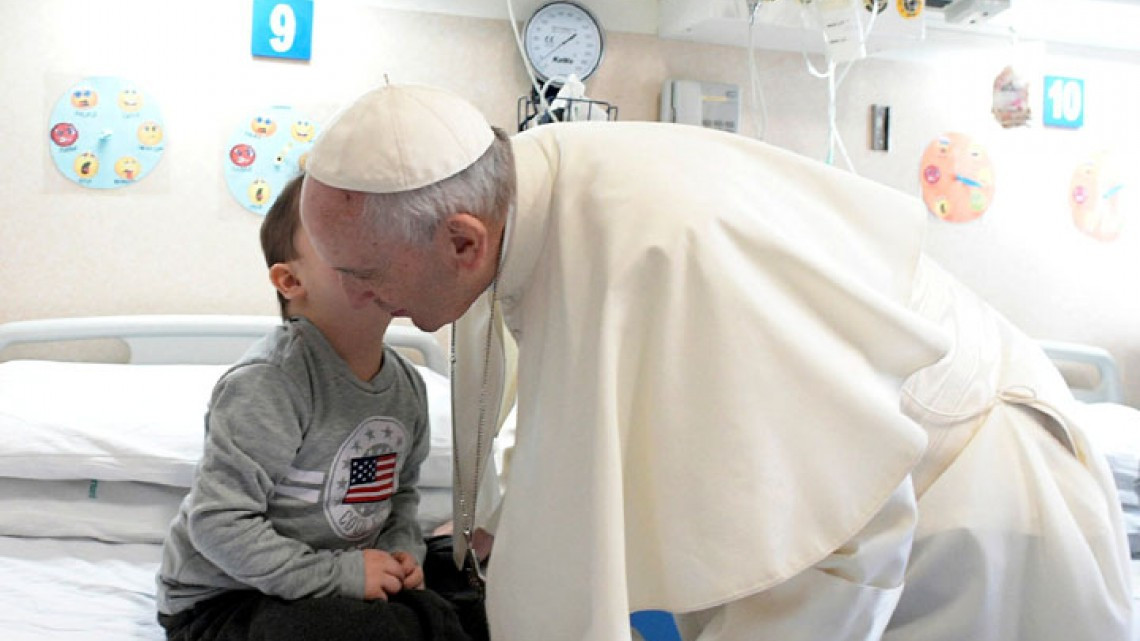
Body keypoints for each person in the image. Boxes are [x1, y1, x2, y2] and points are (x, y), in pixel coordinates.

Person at [298, 83, 1132, 640]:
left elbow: (842, 527)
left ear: (462, 241)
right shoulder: (540, 205)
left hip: (972, 512)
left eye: (365, 278)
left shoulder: (655, 245)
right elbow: (591, 417)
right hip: (902, 510)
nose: (359, 302)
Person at [155, 173, 472, 641]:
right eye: (341, 244)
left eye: (383, 239)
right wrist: (342, 577)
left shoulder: (407, 387)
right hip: (225, 598)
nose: (372, 255)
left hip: (338, 583)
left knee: (477, 596)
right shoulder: (271, 383)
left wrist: (405, 555)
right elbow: (218, 523)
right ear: (290, 280)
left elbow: (400, 499)